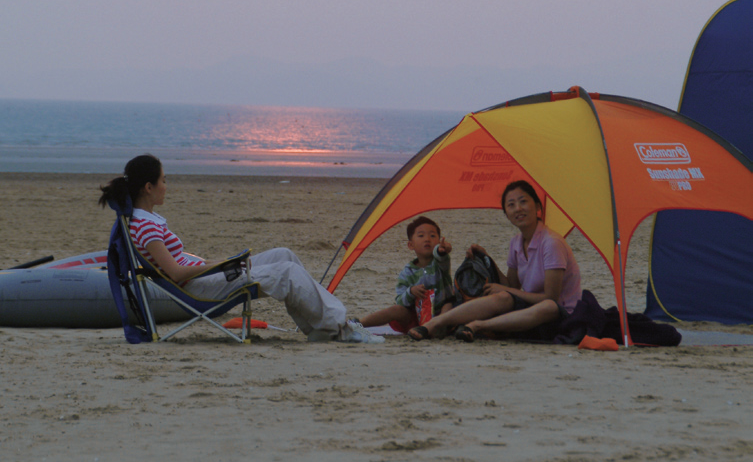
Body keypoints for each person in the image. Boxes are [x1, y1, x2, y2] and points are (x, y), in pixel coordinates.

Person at [98, 154, 383, 344]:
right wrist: (219, 265)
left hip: (202, 277)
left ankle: (319, 328)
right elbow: (174, 273)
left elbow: (177, 263)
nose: (166, 186)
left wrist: (217, 262)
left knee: (284, 255)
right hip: (197, 288)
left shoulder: (145, 220)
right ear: (148, 187)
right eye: (163, 180)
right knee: (285, 272)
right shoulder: (145, 227)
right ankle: (342, 329)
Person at [407, 180, 581, 342]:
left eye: (523, 202)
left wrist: (506, 289)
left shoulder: (552, 243)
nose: (518, 209)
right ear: (506, 214)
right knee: (504, 296)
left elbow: (551, 298)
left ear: (537, 206)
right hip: (528, 312)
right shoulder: (516, 243)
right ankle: (432, 324)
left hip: (561, 315)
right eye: (511, 205)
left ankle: (478, 325)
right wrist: (487, 258)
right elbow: (512, 286)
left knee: (547, 306)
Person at [359, 216, 455, 332]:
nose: (427, 239)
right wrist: (411, 292)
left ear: (439, 243)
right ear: (411, 245)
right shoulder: (407, 271)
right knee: (396, 310)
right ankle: (358, 324)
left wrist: (442, 251)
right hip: (418, 317)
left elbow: (442, 257)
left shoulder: (440, 264)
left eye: (432, 236)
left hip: (442, 316)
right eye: (421, 235)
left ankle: (434, 330)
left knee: (448, 305)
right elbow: (400, 300)